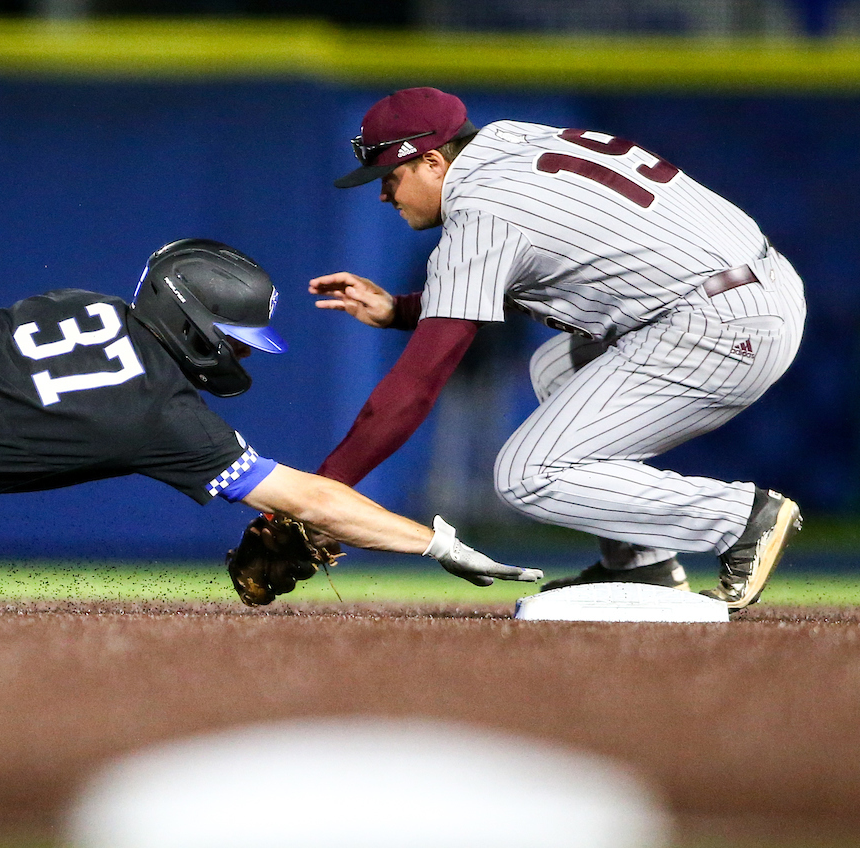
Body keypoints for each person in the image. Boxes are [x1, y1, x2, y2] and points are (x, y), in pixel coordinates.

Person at [0, 237, 542, 588]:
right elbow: (311, 501)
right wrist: (431, 541)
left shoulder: (92, 302)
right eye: (234, 337)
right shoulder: (159, 414)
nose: (241, 352)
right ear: (190, 322)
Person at [310, 87, 804, 611]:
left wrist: (317, 497)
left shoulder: (481, 210)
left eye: (389, 177)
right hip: (747, 288)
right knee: (555, 368)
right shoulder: (506, 139)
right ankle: (645, 567)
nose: (384, 195)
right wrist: (402, 310)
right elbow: (556, 255)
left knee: (526, 475)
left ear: (432, 160)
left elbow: (416, 386)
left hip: (719, 325)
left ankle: (739, 518)